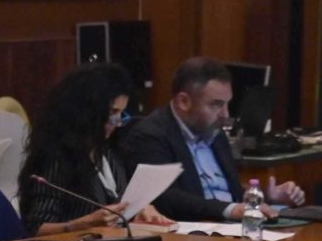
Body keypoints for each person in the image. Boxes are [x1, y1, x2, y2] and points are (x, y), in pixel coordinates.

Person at [118, 56, 305, 221]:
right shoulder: (150, 136)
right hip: (192, 235)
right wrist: (230, 210)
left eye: (227, 104)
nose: (225, 114)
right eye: (216, 105)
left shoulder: (214, 132)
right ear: (184, 101)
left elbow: (230, 192)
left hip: (232, 228)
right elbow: (165, 198)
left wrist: (266, 197)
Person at [19, 63, 171, 235]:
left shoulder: (109, 150)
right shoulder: (56, 156)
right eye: (112, 112)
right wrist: (82, 224)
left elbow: (116, 206)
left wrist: (140, 209)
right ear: (88, 111)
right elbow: (36, 228)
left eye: (121, 113)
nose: (117, 122)